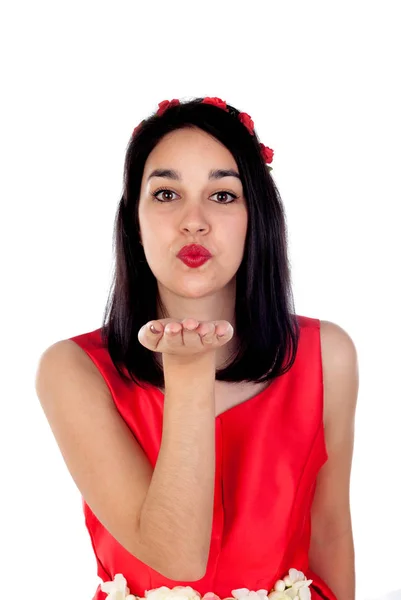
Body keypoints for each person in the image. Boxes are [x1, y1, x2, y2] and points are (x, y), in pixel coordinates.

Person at [35, 97, 358, 600]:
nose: (194, 221)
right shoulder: (72, 370)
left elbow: (331, 531)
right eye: (166, 194)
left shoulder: (327, 356)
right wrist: (187, 370)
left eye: (223, 196)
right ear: (133, 222)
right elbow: (178, 558)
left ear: (258, 217)